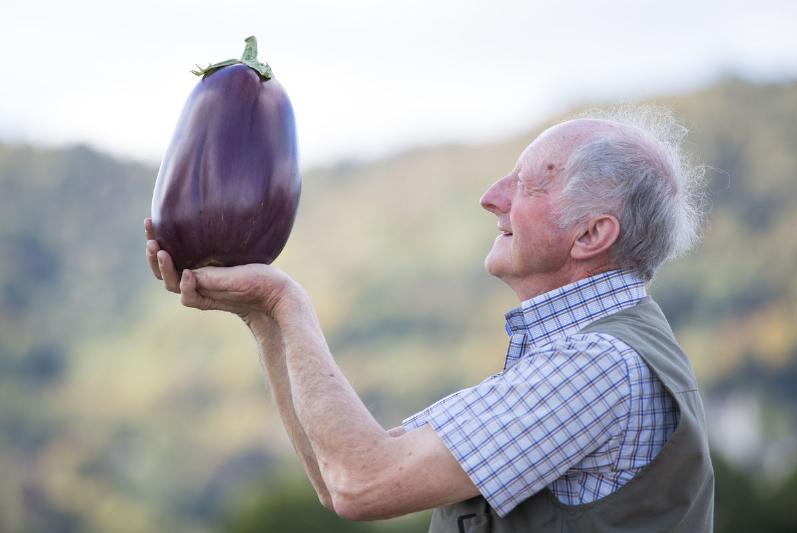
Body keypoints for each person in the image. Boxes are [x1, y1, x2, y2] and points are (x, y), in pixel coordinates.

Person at [144, 107, 714, 532]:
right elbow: (336, 471)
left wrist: (285, 304)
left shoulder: (595, 367)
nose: (492, 197)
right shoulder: (589, 355)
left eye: (529, 182)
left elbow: (363, 483)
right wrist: (262, 319)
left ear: (591, 234)